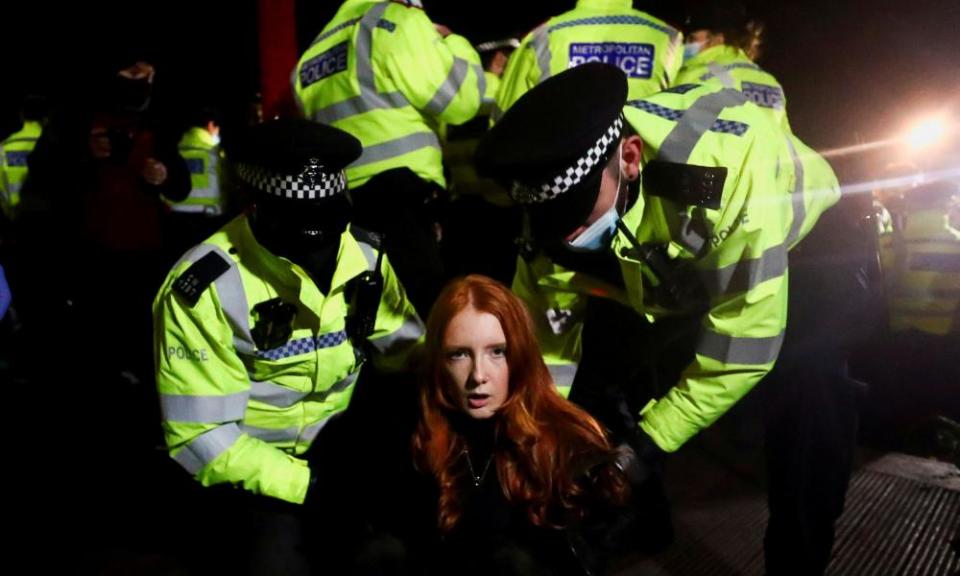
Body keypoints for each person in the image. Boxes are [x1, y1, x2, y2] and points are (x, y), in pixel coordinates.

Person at [476, 63, 840, 550]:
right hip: (676, 264)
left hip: (810, 246)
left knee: (808, 408)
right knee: (613, 376)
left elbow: (742, 350)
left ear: (629, 157)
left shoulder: (726, 179)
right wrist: (531, 433)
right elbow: (545, 343)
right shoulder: (551, 219)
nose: (564, 236)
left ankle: (798, 558)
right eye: (550, 221)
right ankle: (641, 521)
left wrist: (646, 444)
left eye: (577, 212)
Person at [153, 118, 424, 574]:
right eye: (297, 231)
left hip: (344, 451)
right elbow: (200, 436)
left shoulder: (364, 255)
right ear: (254, 207)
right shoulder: (203, 289)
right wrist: (314, 486)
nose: (317, 251)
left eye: (329, 225)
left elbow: (412, 355)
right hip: (251, 470)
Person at [412, 274, 629, 576]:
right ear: (439, 361)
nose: (478, 375)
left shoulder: (569, 445)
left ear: (520, 355)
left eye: (497, 352)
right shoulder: (426, 433)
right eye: (459, 354)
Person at [293, 0, 486, 317]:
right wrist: (454, 42)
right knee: (428, 316)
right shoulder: (396, 19)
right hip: (402, 200)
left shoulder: (314, 51)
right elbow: (460, 101)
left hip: (339, 207)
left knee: (369, 317)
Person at [495, 0, 683, 120]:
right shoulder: (668, 38)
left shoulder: (543, 36)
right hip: (637, 173)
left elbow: (506, 117)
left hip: (560, 174)